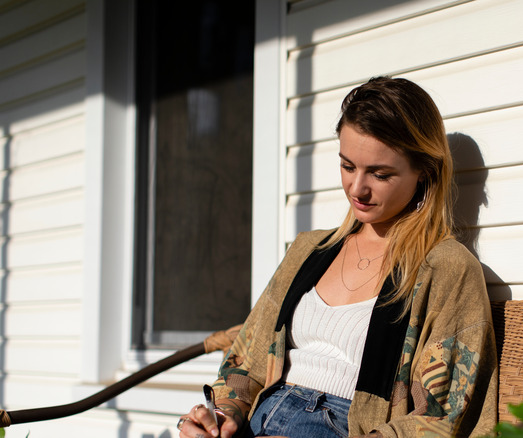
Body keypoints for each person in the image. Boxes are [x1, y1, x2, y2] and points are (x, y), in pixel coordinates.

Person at [177, 76, 497, 438]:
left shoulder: (446, 269)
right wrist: (220, 416)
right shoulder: (308, 251)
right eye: (348, 166)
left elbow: (444, 415)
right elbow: (246, 366)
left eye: (379, 173)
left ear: (423, 170)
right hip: (257, 424)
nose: (357, 188)